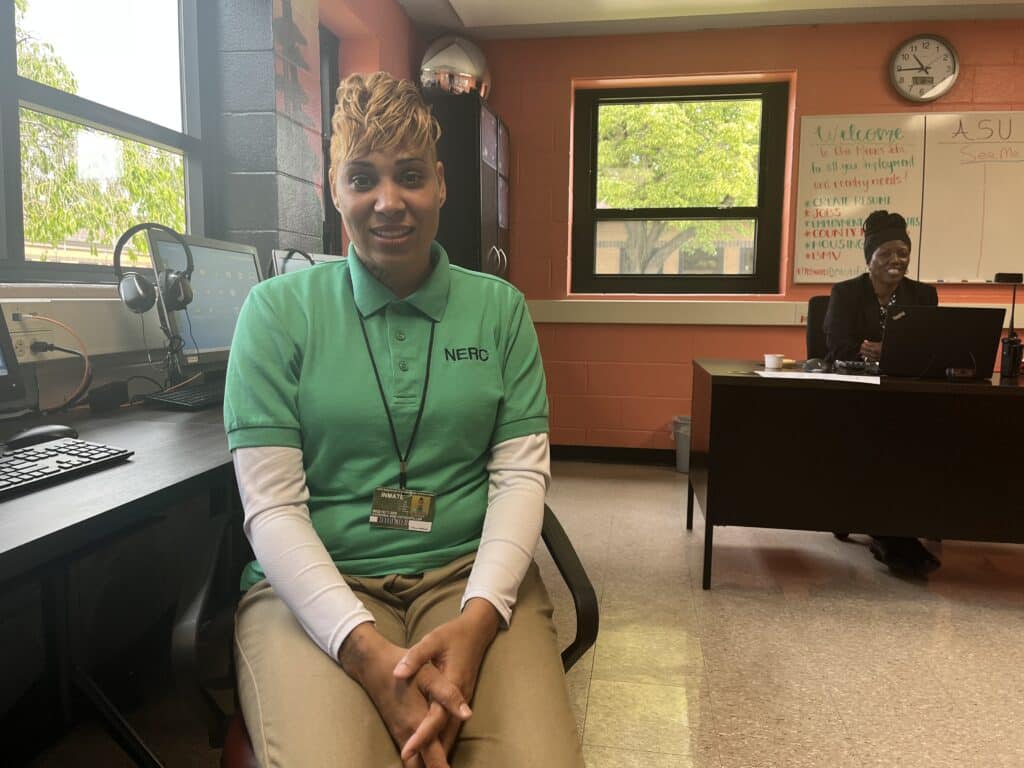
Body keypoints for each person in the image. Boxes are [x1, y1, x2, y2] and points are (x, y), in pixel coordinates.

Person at [223, 72, 584, 768]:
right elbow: (273, 508)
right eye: (363, 178)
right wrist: (364, 655)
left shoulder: (501, 311)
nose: (389, 202)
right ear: (333, 190)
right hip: (317, 583)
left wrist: (478, 624)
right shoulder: (274, 314)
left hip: (466, 575)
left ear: (441, 185)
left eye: (410, 176)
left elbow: (519, 480)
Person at [823, 210, 941, 577]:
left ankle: (893, 527)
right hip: (856, 396)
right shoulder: (846, 293)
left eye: (903, 253)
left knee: (917, 439)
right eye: (886, 253)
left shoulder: (923, 295)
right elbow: (836, 346)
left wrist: (886, 350)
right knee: (876, 440)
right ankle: (893, 538)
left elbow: (931, 348)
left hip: (905, 396)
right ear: (869, 257)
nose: (896, 260)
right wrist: (868, 350)